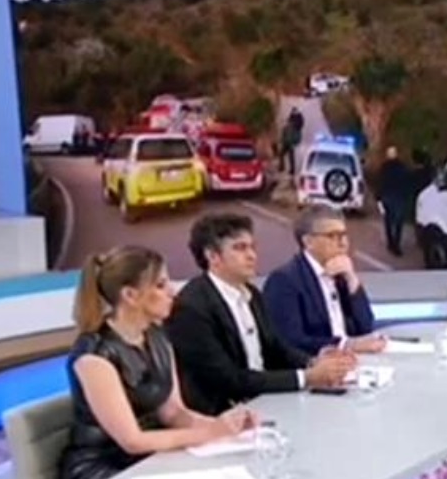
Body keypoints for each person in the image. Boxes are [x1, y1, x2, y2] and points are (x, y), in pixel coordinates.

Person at [58, 246, 252, 479]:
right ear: (130, 295)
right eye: (160, 285)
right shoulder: (94, 356)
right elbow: (132, 441)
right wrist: (210, 433)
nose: (172, 291)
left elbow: (173, 413)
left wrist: (227, 427)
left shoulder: (158, 337)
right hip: (103, 466)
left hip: (146, 457)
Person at [166, 214, 353, 416]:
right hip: (222, 413)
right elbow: (228, 379)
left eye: (252, 247)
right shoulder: (192, 307)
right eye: (240, 248)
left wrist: (313, 362)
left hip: (264, 401)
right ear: (213, 256)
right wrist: (307, 377)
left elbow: (275, 348)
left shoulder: (252, 293)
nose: (252, 255)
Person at [263, 207, 383, 355]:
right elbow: (291, 341)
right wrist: (347, 345)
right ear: (308, 242)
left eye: (344, 235)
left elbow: (365, 327)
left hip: (351, 359)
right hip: (314, 363)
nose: (343, 243)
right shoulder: (284, 281)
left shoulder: (341, 274)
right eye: (332, 236)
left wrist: (352, 279)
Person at [377, 146, 411, 256]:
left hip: (388, 196)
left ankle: (391, 242)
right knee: (398, 222)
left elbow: (381, 182)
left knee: (388, 221)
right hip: (398, 197)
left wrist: (379, 196)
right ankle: (396, 244)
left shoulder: (384, 167)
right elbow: (406, 181)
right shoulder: (402, 167)